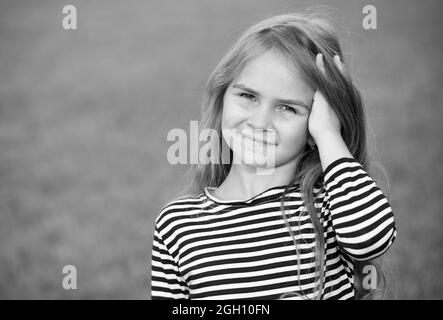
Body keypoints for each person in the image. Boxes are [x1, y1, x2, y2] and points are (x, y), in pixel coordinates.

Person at [150, 11, 397, 300]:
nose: (260, 122)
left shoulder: (328, 206)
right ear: (222, 97)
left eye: (288, 108)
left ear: (313, 125)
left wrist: (328, 133)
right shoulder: (178, 226)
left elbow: (371, 240)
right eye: (248, 96)